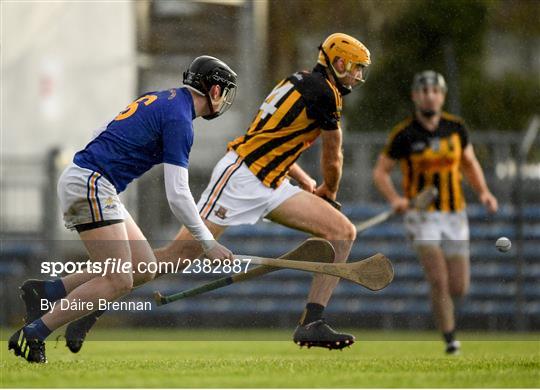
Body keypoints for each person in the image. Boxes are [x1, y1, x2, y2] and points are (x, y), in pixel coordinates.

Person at [62, 32, 372, 351]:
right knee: (179, 255)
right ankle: (94, 298)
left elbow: (271, 137)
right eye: (356, 67)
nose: (359, 75)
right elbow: (333, 155)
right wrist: (328, 191)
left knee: (341, 232)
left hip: (273, 181)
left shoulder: (299, 82)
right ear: (338, 62)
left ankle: (312, 323)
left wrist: (304, 180)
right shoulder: (325, 93)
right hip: (242, 177)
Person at [8, 55, 238, 363]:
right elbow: (178, 194)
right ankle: (35, 333)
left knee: (143, 268)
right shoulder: (180, 120)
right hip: (92, 182)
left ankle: (48, 292)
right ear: (213, 91)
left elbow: (102, 129)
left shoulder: (163, 99)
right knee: (119, 279)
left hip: (94, 180)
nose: (224, 100)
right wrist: (208, 244)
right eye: (224, 91)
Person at [372, 70, 498, 354]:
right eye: (424, 91)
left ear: (442, 96)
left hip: (455, 214)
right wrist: (395, 198)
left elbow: (469, 163)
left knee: (459, 287)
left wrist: (484, 193)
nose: (430, 95)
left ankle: (448, 324)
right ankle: (450, 339)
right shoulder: (403, 134)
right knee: (438, 279)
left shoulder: (456, 128)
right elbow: (380, 172)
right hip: (421, 216)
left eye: (435, 91)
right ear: (415, 96)